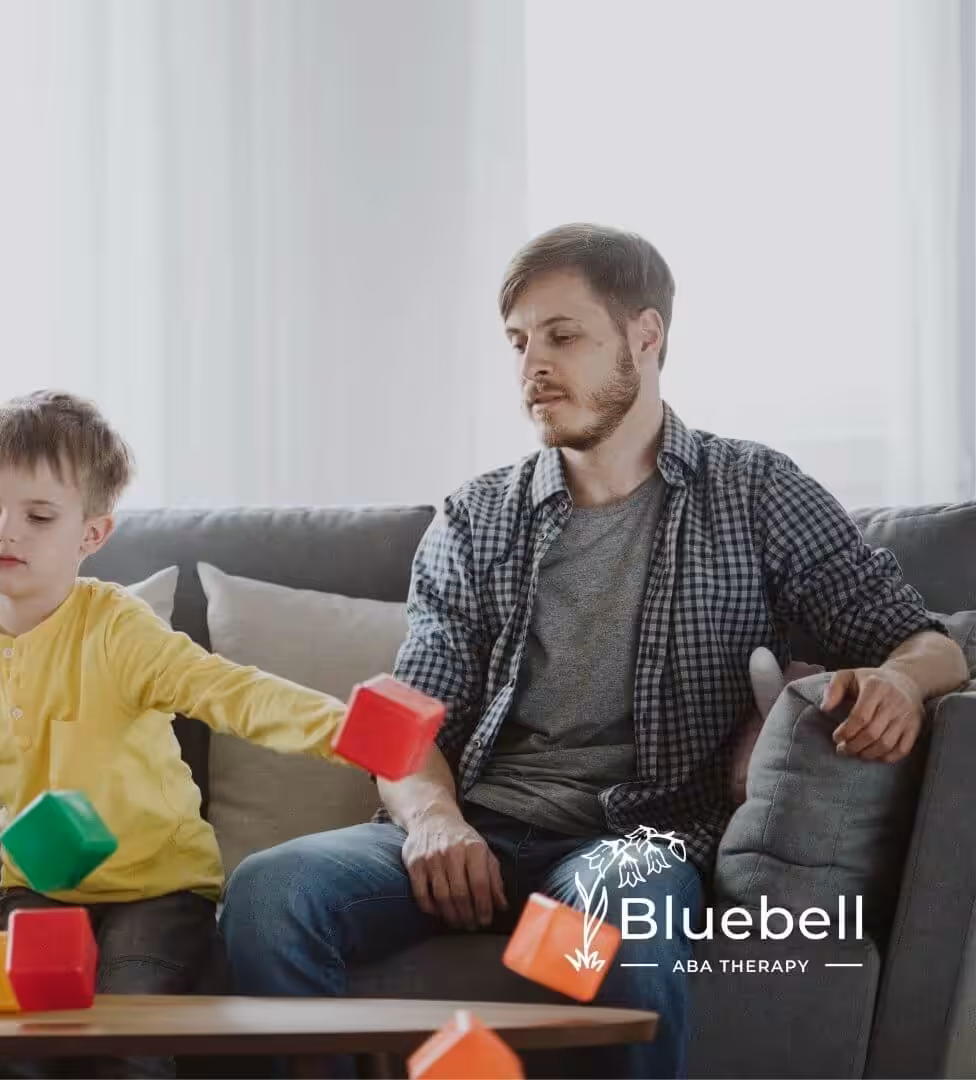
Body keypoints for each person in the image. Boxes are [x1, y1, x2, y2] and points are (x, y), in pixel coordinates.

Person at [219, 223, 972, 1078]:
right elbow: (406, 714)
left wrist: (902, 685)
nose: (532, 366)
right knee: (269, 893)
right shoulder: (476, 517)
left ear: (646, 337)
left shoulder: (757, 493)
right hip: (477, 832)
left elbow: (932, 642)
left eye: (562, 335)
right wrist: (434, 825)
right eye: (518, 343)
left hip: (631, 842)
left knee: (624, 913)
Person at [0, 390, 363, 1078]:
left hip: (158, 889)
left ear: (91, 535)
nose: (5, 532)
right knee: (19, 1049)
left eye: (37, 516)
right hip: (37, 889)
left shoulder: (117, 627)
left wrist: (345, 730)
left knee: (128, 1027)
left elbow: (227, 690)